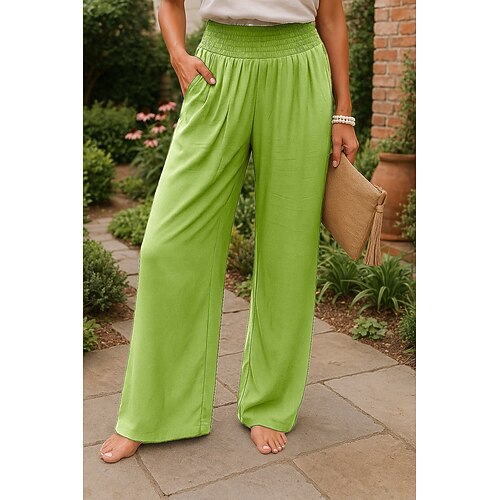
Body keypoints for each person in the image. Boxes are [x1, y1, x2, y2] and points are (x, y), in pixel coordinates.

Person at [99, 0, 359, 464]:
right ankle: (153, 409)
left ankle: (269, 403)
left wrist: (343, 111)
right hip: (218, 66)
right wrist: (177, 53)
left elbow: (332, 16)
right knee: (166, 246)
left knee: (289, 247)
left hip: (299, 68)